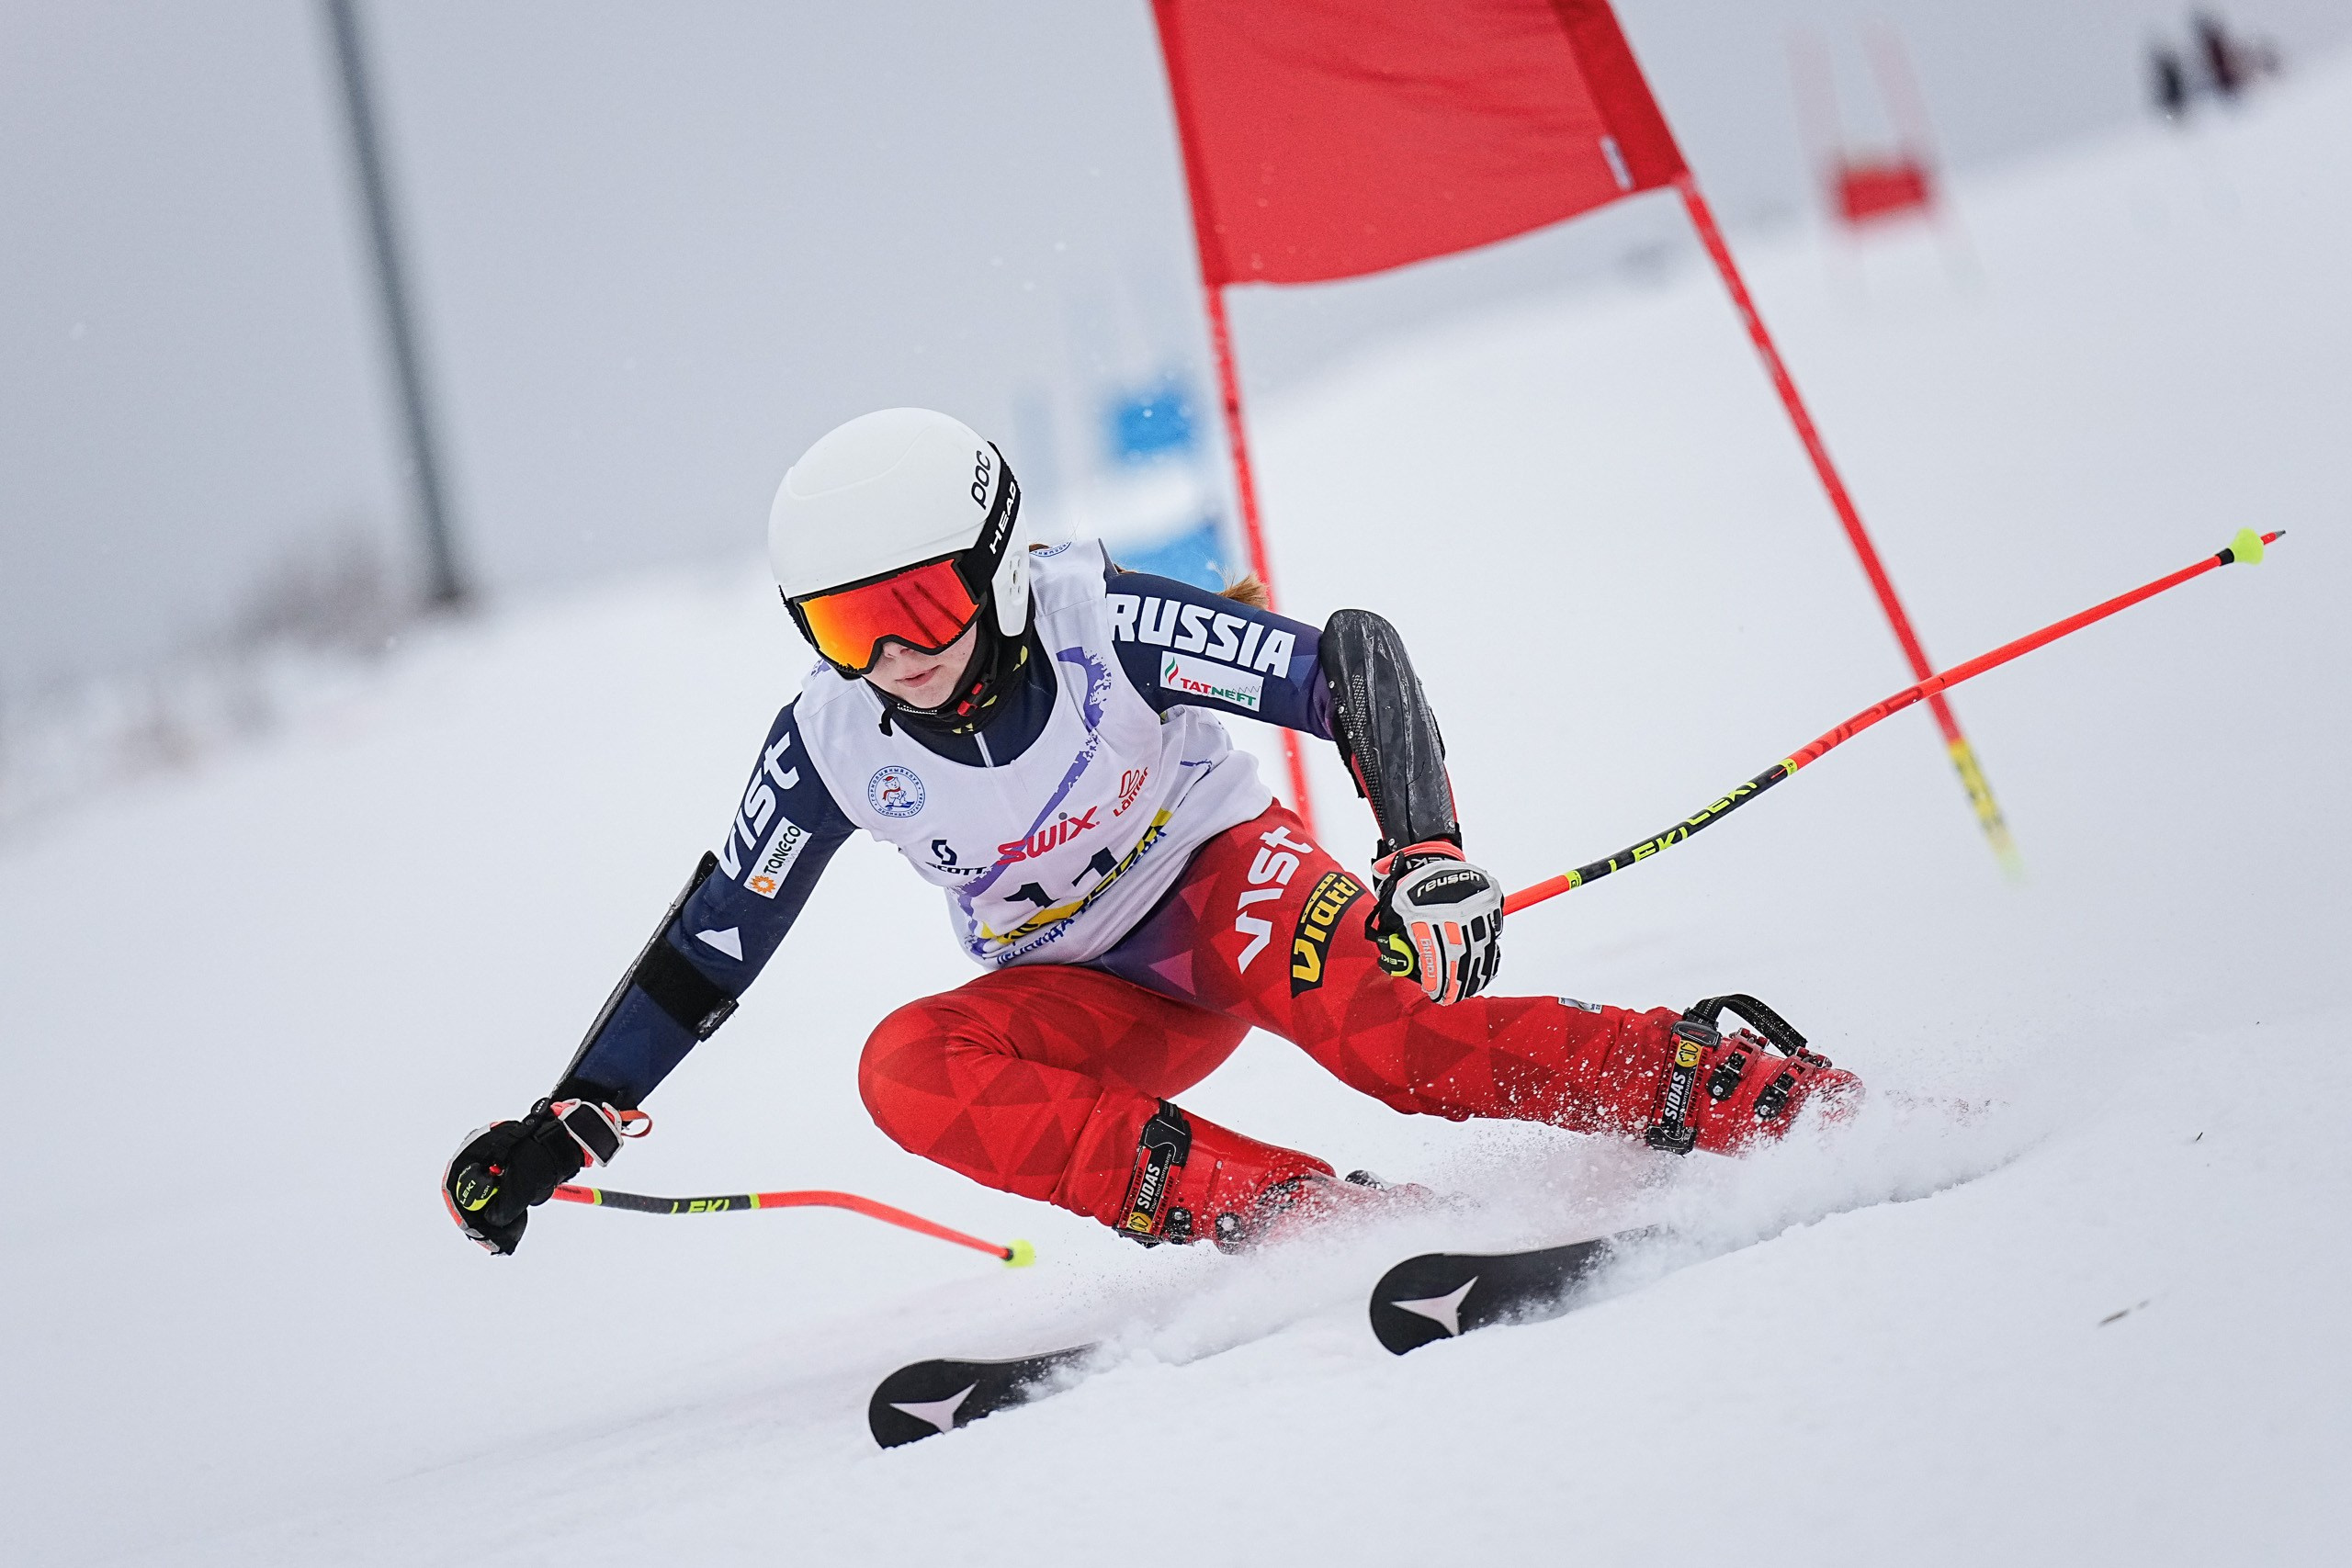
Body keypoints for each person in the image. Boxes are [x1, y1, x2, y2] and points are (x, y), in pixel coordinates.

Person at [443, 409, 1859, 1256]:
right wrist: (568, 1125)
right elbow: (710, 949)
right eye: (847, 628)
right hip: (1084, 987)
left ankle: (1748, 1095)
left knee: (1407, 1049)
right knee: (908, 1068)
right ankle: (1293, 1220)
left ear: (995, 566)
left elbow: (1347, 662)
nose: (898, 658)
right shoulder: (830, 742)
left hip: (1224, 890)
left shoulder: (1096, 617)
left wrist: (1422, 849)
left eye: (923, 607)